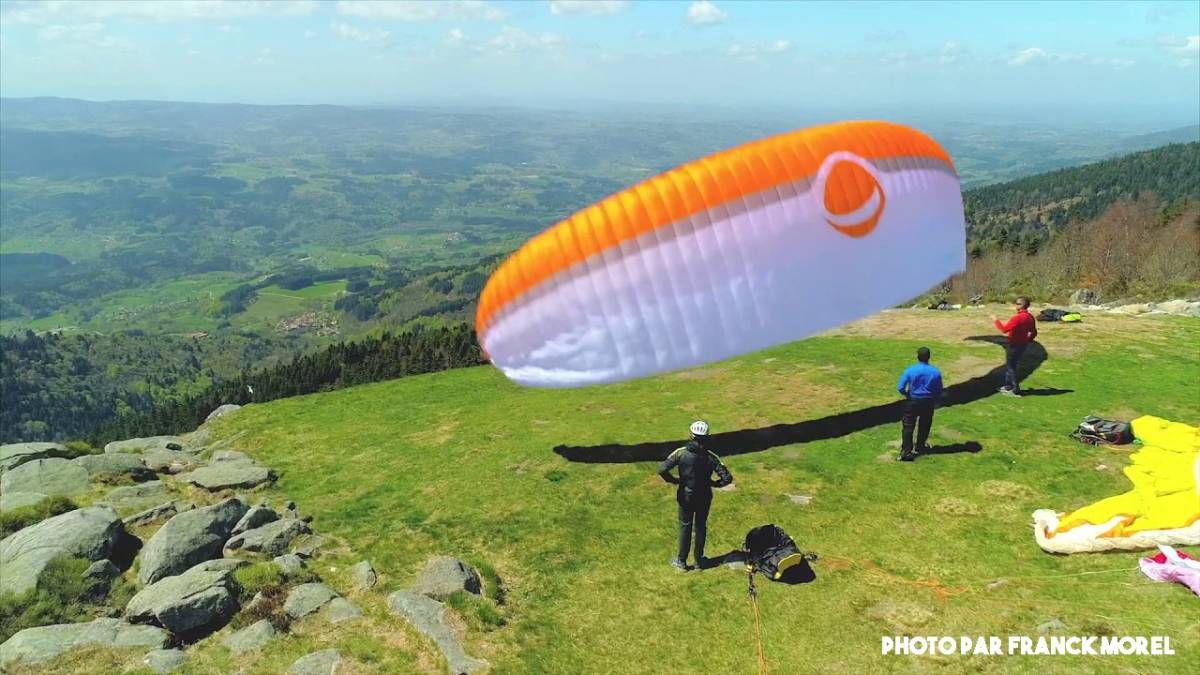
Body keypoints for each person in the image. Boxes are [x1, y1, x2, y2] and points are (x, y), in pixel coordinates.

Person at [658, 420, 733, 571]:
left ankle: (681, 562)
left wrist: (674, 481)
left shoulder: (681, 453)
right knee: (700, 527)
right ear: (706, 437)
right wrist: (714, 484)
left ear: (691, 435)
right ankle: (699, 561)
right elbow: (727, 478)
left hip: (685, 495)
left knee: (685, 526)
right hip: (704, 496)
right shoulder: (711, 457)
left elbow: (662, 469)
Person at [896, 347, 943, 462]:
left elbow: (901, 387)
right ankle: (920, 446)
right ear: (929, 357)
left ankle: (906, 451)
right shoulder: (935, 372)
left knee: (908, 426)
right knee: (925, 424)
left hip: (913, 400)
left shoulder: (910, 370)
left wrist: (907, 394)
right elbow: (939, 389)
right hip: (928, 401)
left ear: (918, 357)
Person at [991, 297, 1038, 397]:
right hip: (1022, 345)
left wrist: (996, 320)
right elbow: (1034, 332)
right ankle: (1007, 386)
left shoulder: (1018, 318)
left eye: (1017, 303)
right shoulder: (1030, 317)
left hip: (1014, 345)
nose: (1015, 305)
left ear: (1021, 305)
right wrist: (1028, 340)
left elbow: (1004, 329)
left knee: (1011, 367)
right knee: (1011, 365)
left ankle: (1015, 389)